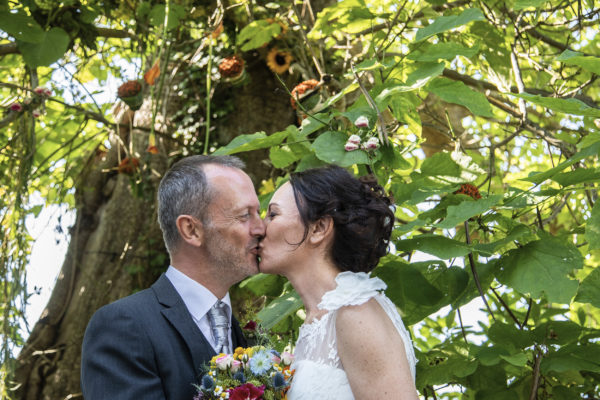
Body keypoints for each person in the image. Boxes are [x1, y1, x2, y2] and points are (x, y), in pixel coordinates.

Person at [81, 155, 265, 399]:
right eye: (244, 215)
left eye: (258, 213)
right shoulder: (123, 327)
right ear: (191, 230)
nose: (261, 228)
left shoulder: (247, 336)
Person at [258, 165, 418, 400]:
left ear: (319, 228)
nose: (259, 227)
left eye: (273, 215)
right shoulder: (321, 320)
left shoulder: (356, 314)